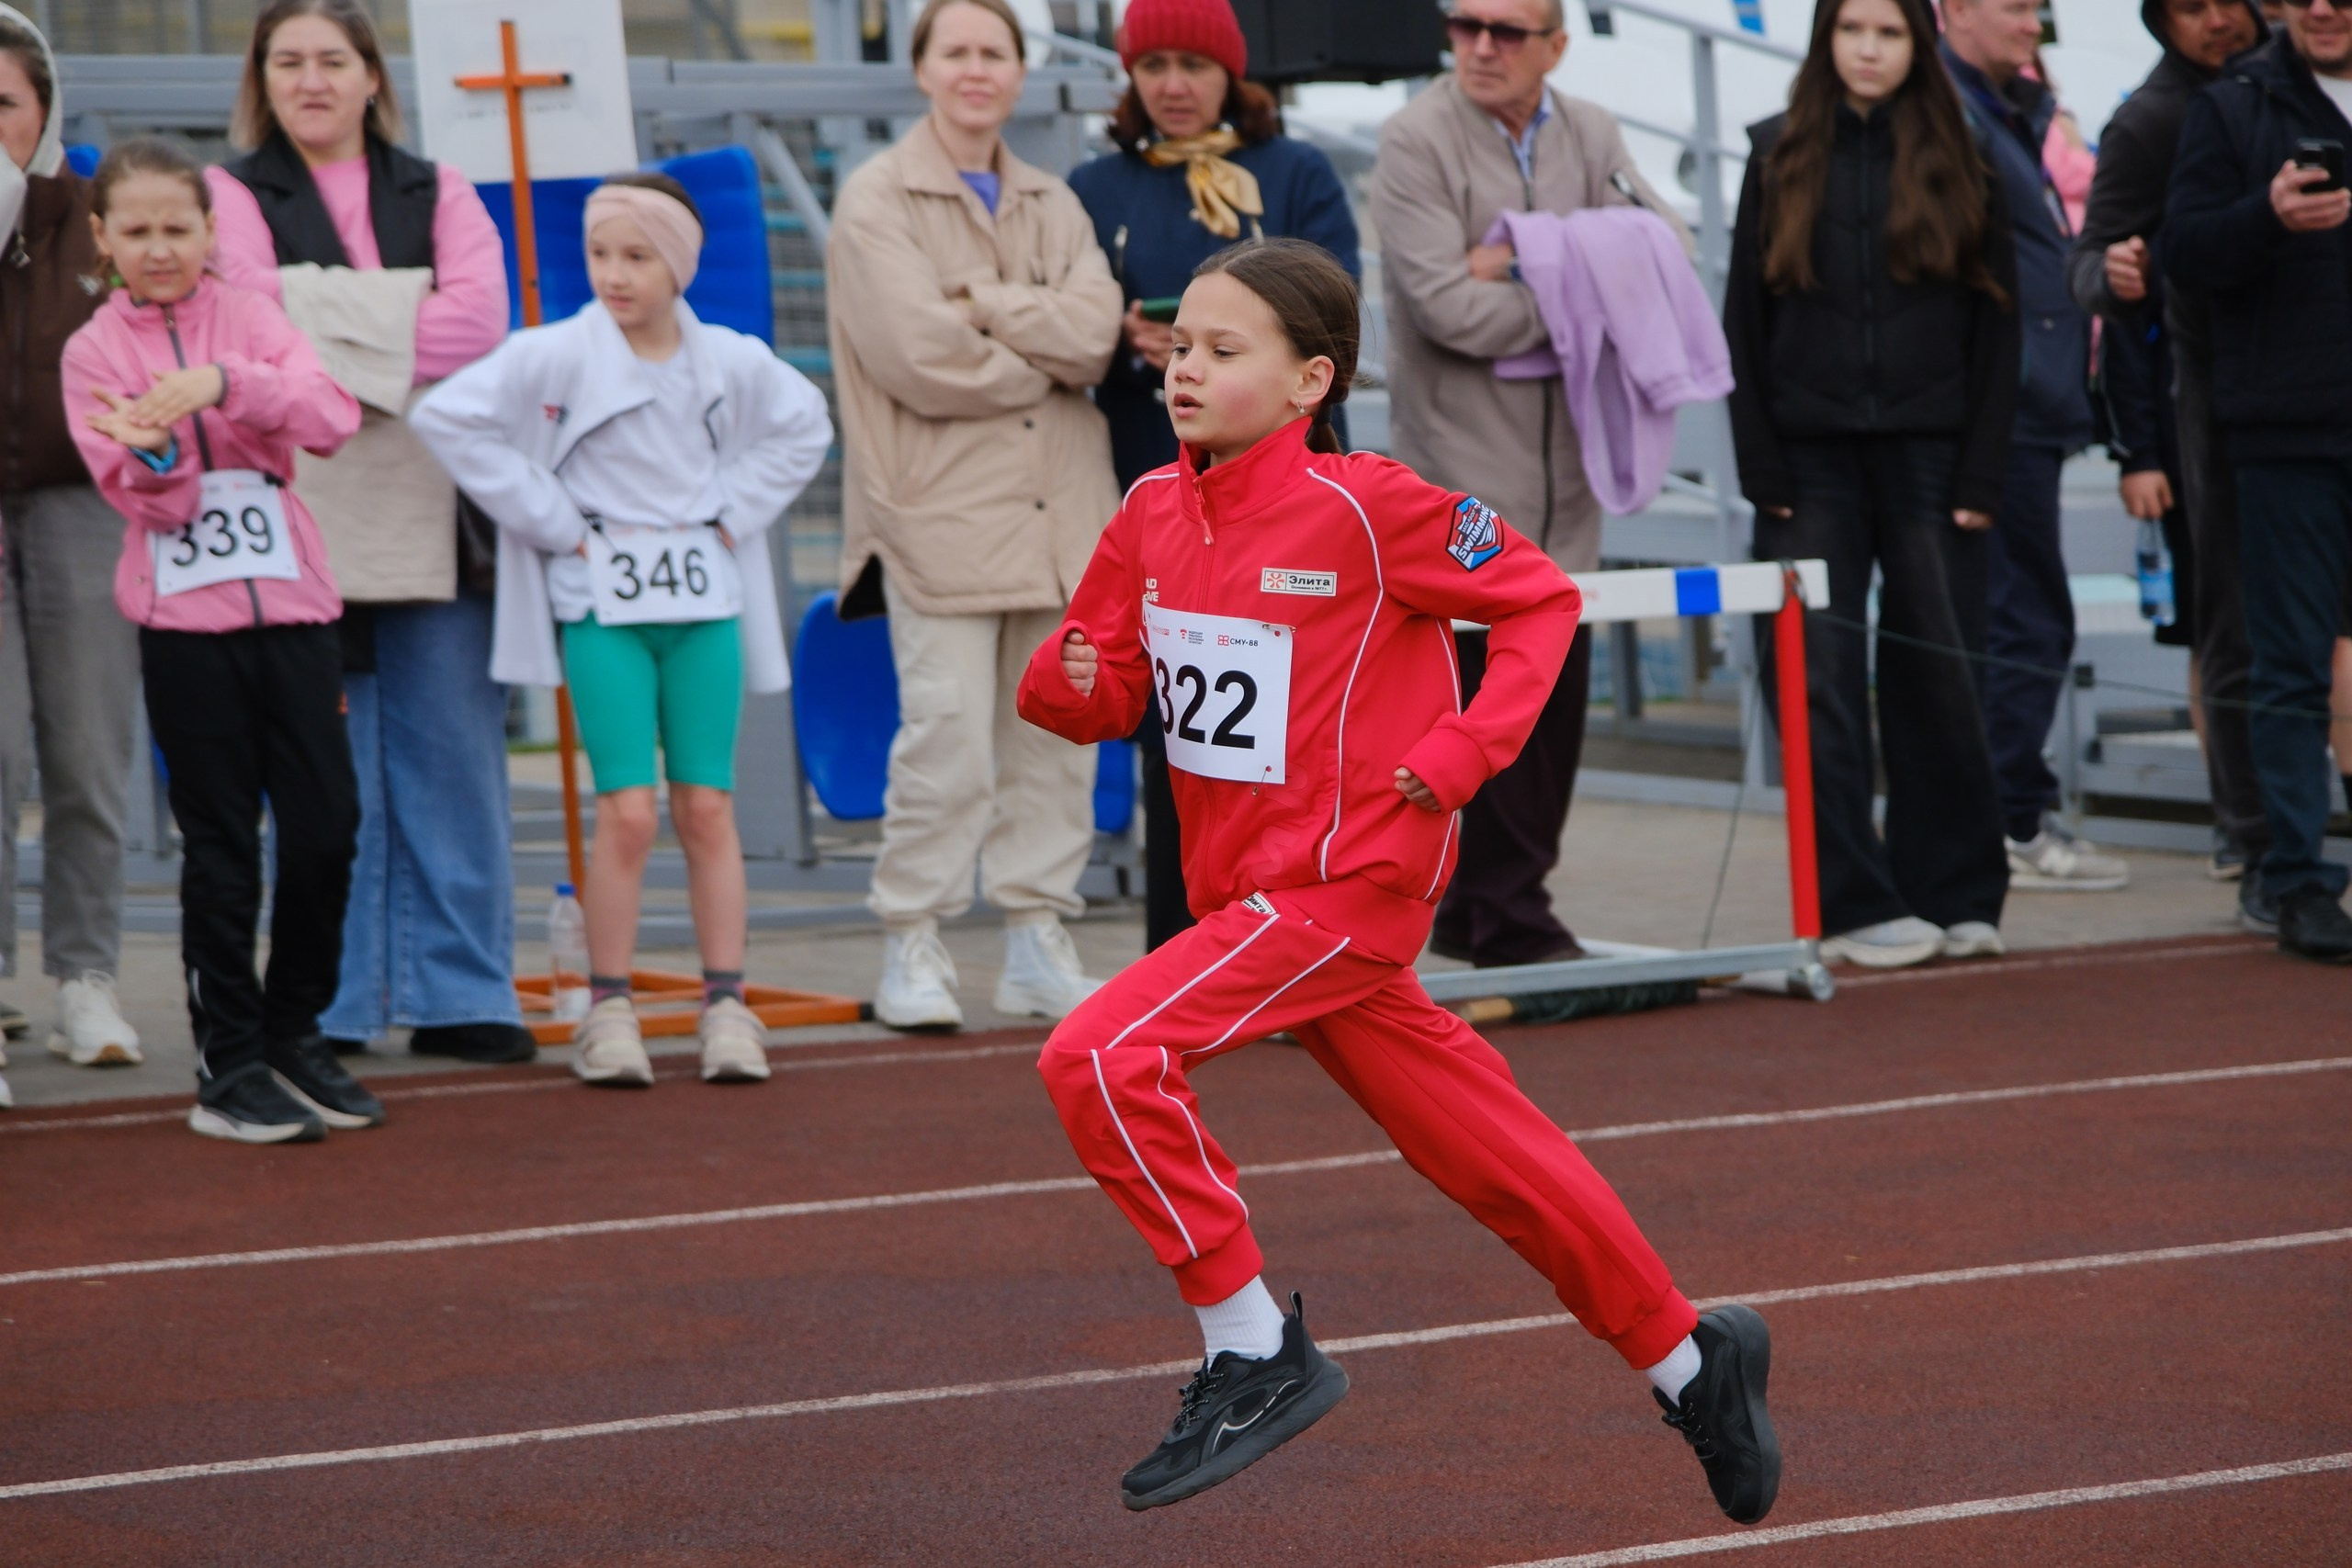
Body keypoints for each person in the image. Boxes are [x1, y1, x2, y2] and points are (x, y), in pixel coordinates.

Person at [1016, 238, 1779, 1522]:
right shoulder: (1153, 509)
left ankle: (1250, 1342)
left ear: (1310, 378)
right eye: (1179, 344)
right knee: (1498, 1157)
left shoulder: (1371, 506)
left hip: (1345, 888)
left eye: (1222, 348)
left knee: (1095, 1055)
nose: (1185, 369)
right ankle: (1690, 1356)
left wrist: (1464, 746)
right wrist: (1068, 680)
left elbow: (1541, 601)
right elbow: (1098, 687)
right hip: (1246, 897)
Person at [412, 174, 833, 1083]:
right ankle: (610, 1008)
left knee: (708, 807)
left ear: (678, 264)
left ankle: (727, 1004)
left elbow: (806, 424)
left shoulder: (726, 358)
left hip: (702, 603)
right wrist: (555, 520)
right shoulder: (555, 352)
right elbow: (445, 414)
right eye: (601, 253)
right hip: (604, 605)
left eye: (637, 256)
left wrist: (727, 515)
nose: (615, 274)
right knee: (629, 812)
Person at [207, 0, 529, 1065]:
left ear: (373, 77)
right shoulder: (230, 191)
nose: (311, 80)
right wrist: (399, 317)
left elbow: (478, 322)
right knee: (324, 772)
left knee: (455, 759)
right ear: (264, 78)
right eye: (287, 62)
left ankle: (464, 990)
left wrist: (320, 324)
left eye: (332, 61)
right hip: (304, 509)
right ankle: (330, 1000)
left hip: (441, 513)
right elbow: (248, 317)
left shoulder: (444, 189)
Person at [62, 138, 378, 1143]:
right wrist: (156, 451)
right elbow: (146, 498)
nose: (161, 249)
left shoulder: (250, 314)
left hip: (296, 613)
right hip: (184, 631)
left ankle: (295, 1030)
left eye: (179, 227)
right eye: (139, 231)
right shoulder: (92, 352)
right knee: (222, 849)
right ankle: (227, 1067)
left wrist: (222, 386)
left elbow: (328, 415)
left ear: (209, 232)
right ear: (104, 239)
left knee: (328, 828)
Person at [826, 0, 1123, 1030]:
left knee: (1054, 744)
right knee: (947, 742)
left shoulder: (1053, 197)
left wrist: (987, 303)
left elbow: (1094, 338)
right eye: (954, 50)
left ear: (1019, 70)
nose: (975, 69)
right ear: (920, 69)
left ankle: (1037, 937)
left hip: (1064, 520)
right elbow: (919, 358)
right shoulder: (874, 199)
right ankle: (911, 939)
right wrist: (1037, 341)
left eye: (993, 51)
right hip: (937, 516)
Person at [1370, 0, 1683, 970]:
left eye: (1508, 29)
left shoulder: (1590, 127)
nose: (1481, 46)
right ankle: (1504, 914)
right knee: (1480, 710)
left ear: (1556, 42)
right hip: (1461, 485)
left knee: (1553, 711)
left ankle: (1491, 911)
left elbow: (1664, 251)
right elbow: (1445, 308)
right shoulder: (1413, 136)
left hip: (1570, 481)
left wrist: (1529, 262)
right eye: (1464, 24)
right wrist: (1591, 283)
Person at [1723, 0, 2021, 968]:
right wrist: (1759, 461)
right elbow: (1742, 317)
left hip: (1935, 456)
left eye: (1888, 32)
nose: (1866, 47)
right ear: (1824, 40)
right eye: (1851, 28)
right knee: (1816, 682)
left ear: (1916, 45)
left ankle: (1959, 889)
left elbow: (1999, 321)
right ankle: (1850, 899)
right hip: (1806, 464)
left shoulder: (1968, 155)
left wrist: (1981, 465)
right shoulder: (1773, 154)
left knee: (1940, 668)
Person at [1066, 0, 1361, 953]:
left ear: (1233, 72)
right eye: (1152, 66)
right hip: (1154, 478)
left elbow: (1336, 318)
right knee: (1177, 733)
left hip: (1290, 494)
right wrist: (1122, 343)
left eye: (1194, 63)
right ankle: (1179, 954)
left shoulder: (1297, 170)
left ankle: (1296, 946)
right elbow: (1067, 330)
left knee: (1300, 729)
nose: (1173, 85)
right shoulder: (1091, 185)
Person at [2066, 0, 2269, 905]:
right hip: (2202, 419)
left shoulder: (2299, 89)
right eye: (2190, 7)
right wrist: (2136, 451)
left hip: (2310, 399)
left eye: (2231, 0)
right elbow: (2088, 268)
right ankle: (2246, 826)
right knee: (2222, 624)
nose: (2219, 21)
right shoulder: (2149, 120)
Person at [2164, 0, 2352, 961]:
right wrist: (2267, 218)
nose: (2323, 6)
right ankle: (2296, 880)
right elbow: (2181, 252)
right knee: (2287, 668)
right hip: (2286, 433)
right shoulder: (2232, 104)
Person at [1939, 0, 2131, 891]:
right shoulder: (1949, 108)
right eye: (2018, 8)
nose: (2034, 27)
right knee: (2022, 616)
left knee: (2018, 614)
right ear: (1954, 10)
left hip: (2031, 401)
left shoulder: (2010, 108)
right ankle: (2009, 816)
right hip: (1996, 409)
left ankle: (2002, 810)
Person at [0, 5, 143, 1066]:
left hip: (82, 507)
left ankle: (86, 979)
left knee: (89, 756)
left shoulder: (98, 220)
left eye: (1, 104)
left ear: (43, 113)